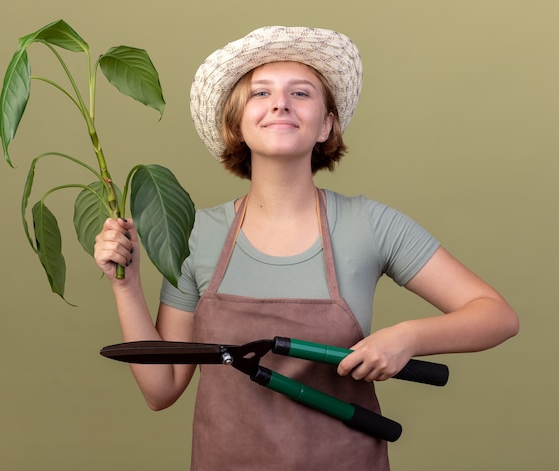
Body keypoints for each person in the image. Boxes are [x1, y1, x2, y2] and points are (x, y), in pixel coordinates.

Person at [94, 26, 519, 470]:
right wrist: (126, 286)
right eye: (261, 93)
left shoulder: (369, 225)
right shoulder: (196, 234)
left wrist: (408, 337)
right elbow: (161, 389)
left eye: (301, 93)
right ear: (236, 124)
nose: (281, 103)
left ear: (327, 125)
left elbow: (497, 316)